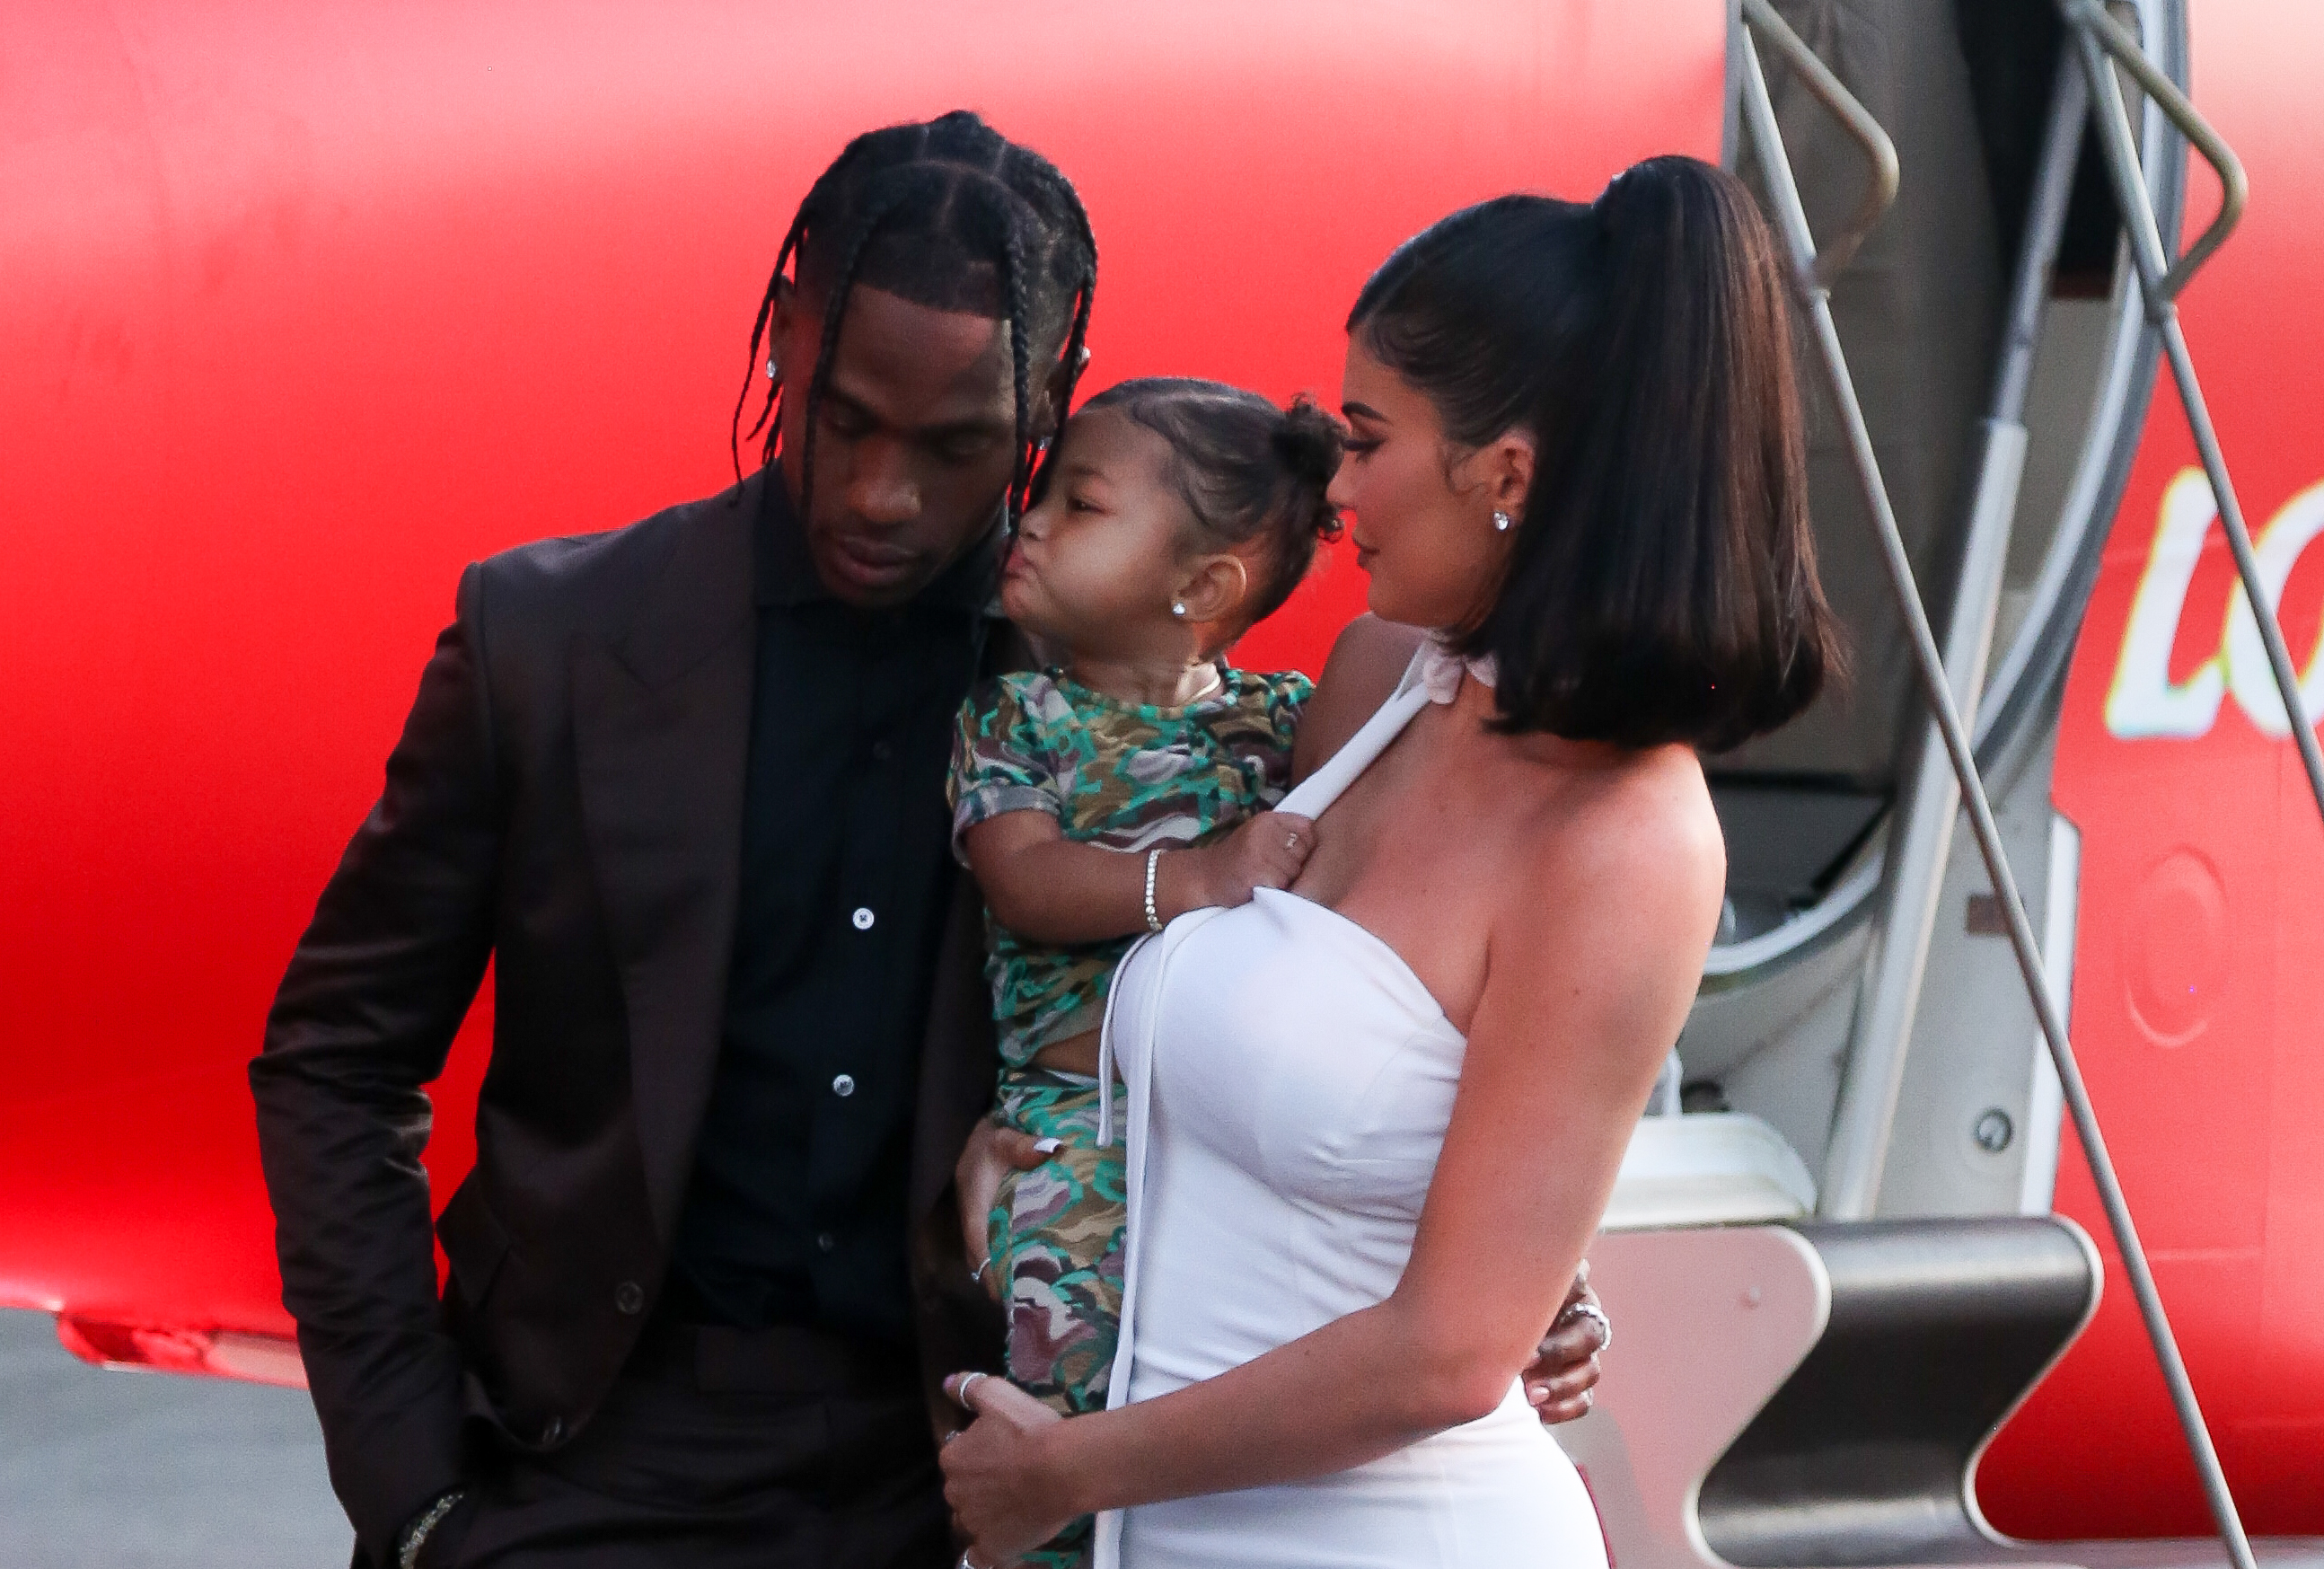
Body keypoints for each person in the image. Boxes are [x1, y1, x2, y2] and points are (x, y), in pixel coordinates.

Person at [248, 111, 1606, 1569]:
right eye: (846, 422)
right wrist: (415, 1493)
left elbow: (1358, 1022)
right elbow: (338, 1059)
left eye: (962, 447)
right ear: (786, 338)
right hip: (584, 1474)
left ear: (1052, 406)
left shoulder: (1141, 699)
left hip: (978, 1479)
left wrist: (1519, 1262)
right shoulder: (553, 639)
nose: (886, 495)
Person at [938, 155, 1839, 1569]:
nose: (1335, 486)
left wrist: (1066, 1470)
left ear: (1507, 477)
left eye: (1366, 438)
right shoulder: (1372, 692)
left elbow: (1445, 1358)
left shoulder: (1631, 843)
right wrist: (1029, 1146)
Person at [947, 379, 1342, 1566]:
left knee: (1227, 1419)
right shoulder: (1018, 717)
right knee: (1059, 1393)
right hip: (1072, 1131)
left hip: (1241, 1150)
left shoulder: (1288, 723)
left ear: (1202, 586)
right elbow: (1025, 878)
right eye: (1042, 497)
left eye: (1082, 505)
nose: (1033, 524)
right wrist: (1199, 878)